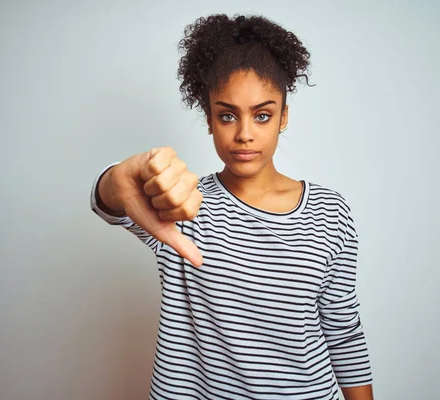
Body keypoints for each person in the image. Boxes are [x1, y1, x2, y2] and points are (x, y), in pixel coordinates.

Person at [91, 14, 374, 400]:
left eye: (262, 115)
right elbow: (116, 204)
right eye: (227, 115)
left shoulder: (329, 211)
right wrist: (114, 181)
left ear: (283, 118)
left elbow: (343, 330)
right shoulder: (185, 203)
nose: (244, 133)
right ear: (208, 119)